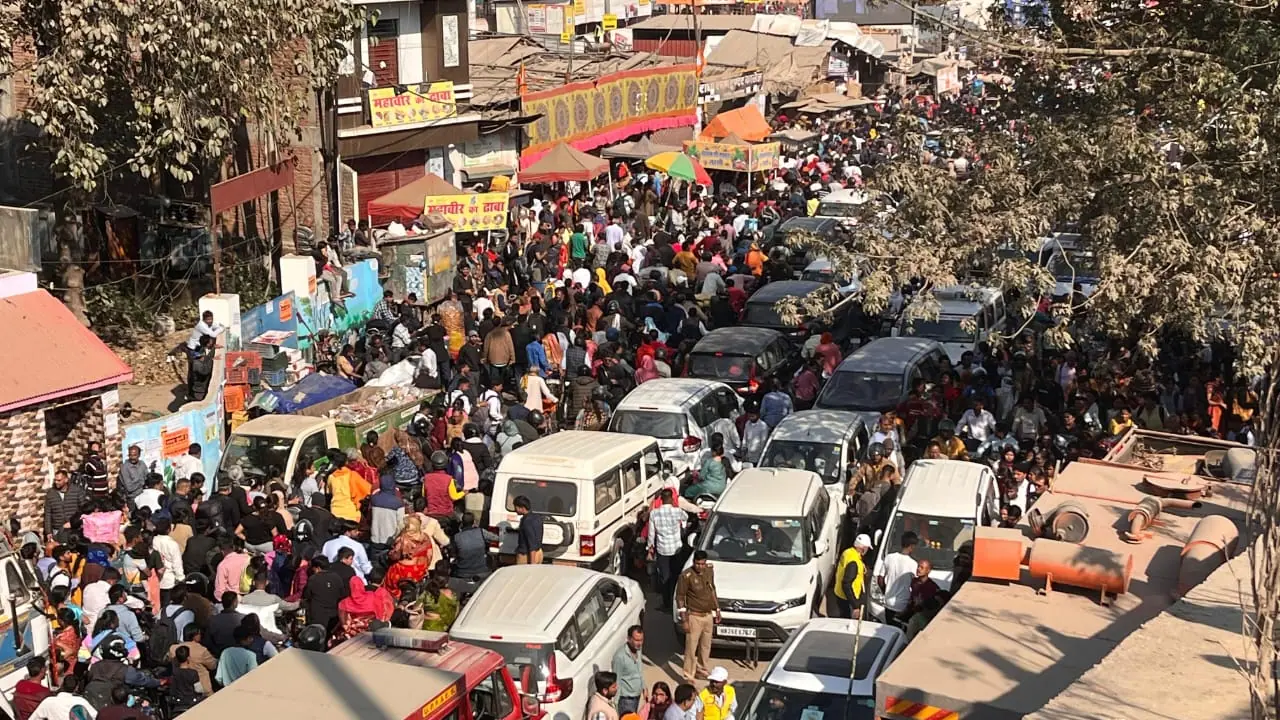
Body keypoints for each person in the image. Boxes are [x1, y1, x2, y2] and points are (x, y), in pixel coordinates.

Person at [674, 550, 719, 683]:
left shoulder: (709, 571)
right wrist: (684, 619)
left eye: (702, 564)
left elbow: (712, 589)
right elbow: (680, 597)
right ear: (694, 562)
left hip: (708, 615)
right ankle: (688, 675)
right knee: (691, 647)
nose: (700, 567)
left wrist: (717, 609)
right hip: (694, 616)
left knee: (706, 646)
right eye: (697, 564)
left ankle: (701, 670)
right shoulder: (686, 576)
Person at [647, 489, 685, 609]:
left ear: (661, 499)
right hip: (676, 549)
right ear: (671, 498)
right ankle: (675, 601)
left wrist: (650, 548)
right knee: (675, 575)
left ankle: (666, 603)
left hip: (662, 549)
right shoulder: (677, 511)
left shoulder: (654, 513)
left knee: (664, 576)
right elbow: (686, 518)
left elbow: (651, 533)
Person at [876, 531, 919, 626]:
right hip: (902, 605)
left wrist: (886, 592)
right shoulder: (913, 564)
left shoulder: (889, 557)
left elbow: (880, 579)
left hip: (888, 603)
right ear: (912, 546)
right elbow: (915, 585)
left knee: (888, 628)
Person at [833, 534, 871, 619]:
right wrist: (855, 606)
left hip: (838, 593)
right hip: (847, 599)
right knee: (848, 623)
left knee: (843, 616)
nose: (867, 550)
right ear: (863, 548)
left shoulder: (847, 552)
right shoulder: (854, 562)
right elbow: (846, 584)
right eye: (867, 548)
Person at [611, 625, 646, 715]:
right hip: (626, 701)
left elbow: (640, 670)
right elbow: (616, 680)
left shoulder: (638, 649)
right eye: (636, 640)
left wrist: (644, 687)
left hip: (636, 697)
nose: (639, 643)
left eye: (641, 640)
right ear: (629, 639)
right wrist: (615, 703)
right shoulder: (620, 657)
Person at [28, 676, 96, 720]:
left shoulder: (48, 701)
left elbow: (33, 718)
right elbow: (96, 716)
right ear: (76, 688)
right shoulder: (81, 701)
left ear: (62, 685)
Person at [44, 469, 85, 541]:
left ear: (66, 480)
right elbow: (48, 513)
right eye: (55, 480)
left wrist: (74, 522)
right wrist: (48, 531)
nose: (56, 482)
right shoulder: (50, 493)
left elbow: (83, 509)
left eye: (59, 480)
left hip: (74, 528)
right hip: (57, 528)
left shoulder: (77, 490)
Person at [513, 496, 544, 565]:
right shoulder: (537, 517)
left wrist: (532, 563)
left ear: (522, 508)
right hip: (539, 552)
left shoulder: (526, 521)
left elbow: (531, 542)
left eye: (516, 507)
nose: (515, 509)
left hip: (527, 556)